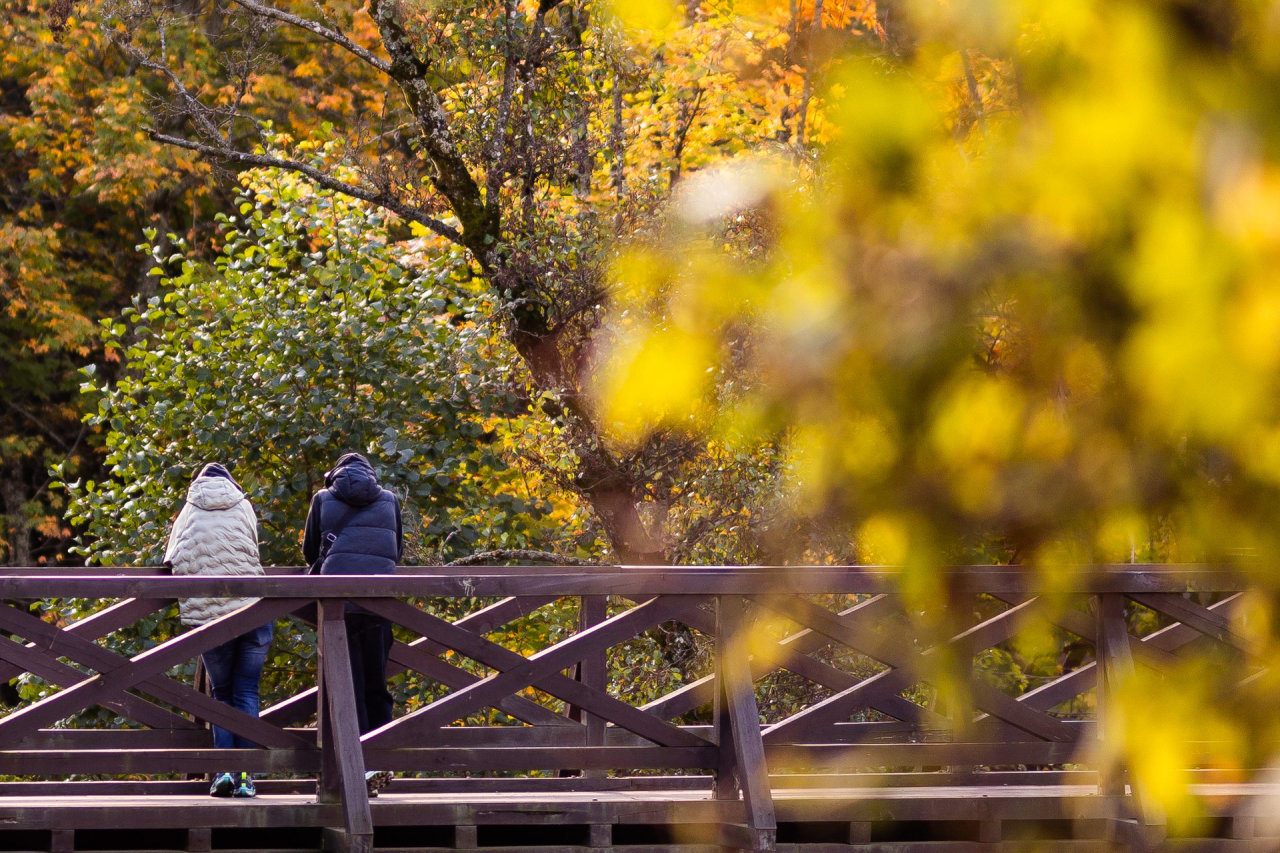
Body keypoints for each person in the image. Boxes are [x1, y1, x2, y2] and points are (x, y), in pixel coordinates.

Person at [163, 462, 271, 799]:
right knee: (247, 693)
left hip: (209, 617)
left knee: (221, 695)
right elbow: (252, 549)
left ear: (197, 484)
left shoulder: (187, 512)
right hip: (252, 610)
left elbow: (170, 559)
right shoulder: (244, 507)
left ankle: (224, 771)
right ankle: (246, 778)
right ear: (231, 482)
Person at [302, 452, 402, 796]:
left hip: (337, 604)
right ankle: (378, 760)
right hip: (379, 601)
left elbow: (310, 550)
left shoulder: (322, 498)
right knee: (377, 683)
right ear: (371, 475)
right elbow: (396, 552)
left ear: (336, 474)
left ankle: (350, 766)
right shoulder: (389, 500)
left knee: (346, 685)